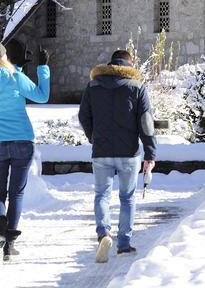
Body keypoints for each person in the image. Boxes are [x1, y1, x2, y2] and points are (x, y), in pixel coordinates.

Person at [78, 49, 157, 264]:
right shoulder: (137, 87)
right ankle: (123, 244)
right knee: (127, 198)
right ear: (129, 65)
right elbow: (146, 122)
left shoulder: (93, 85)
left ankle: (103, 233)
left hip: (101, 151)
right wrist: (150, 152)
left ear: (111, 64)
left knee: (101, 194)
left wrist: (93, 137)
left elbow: (83, 115)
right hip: (129, 153)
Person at [0, 38, 50, 261]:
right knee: (16, 193)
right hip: (21, 141)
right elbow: (42, 96)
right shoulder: (15, 77)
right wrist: (43, 67)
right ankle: (9, 244)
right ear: (2, 55)